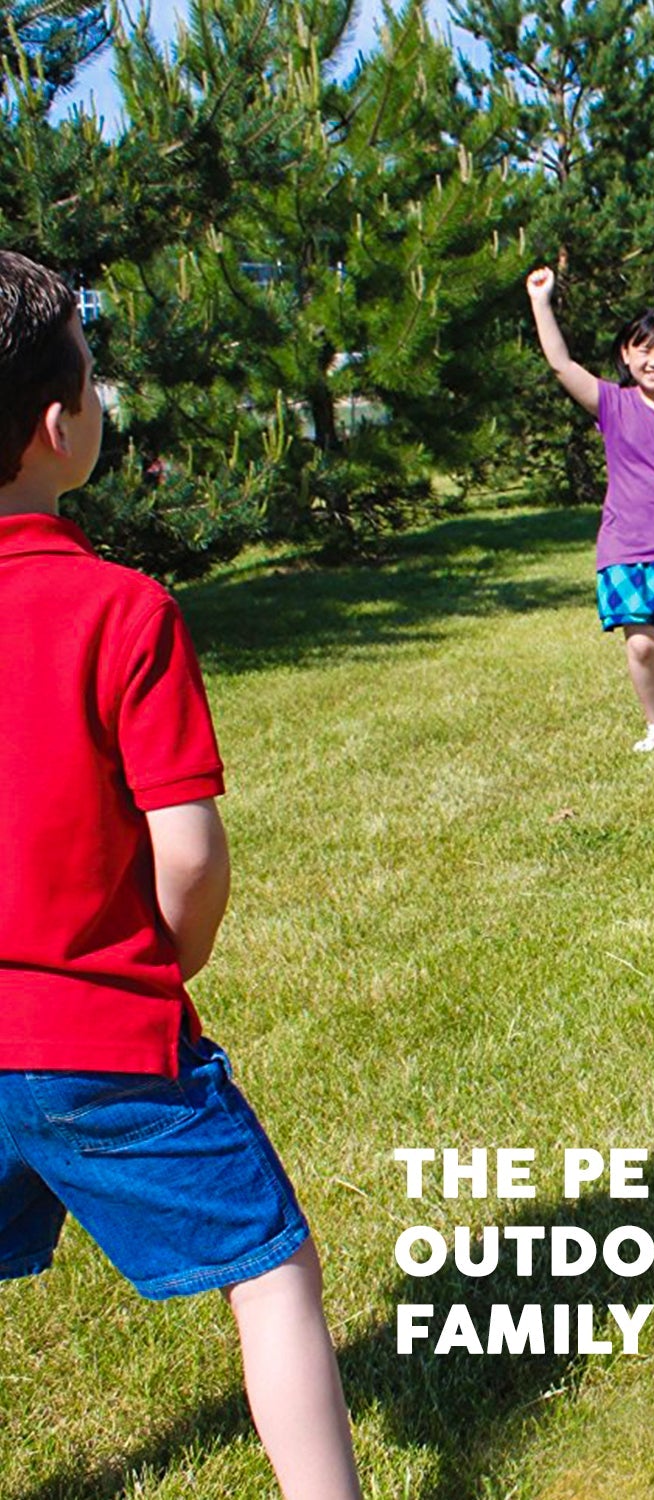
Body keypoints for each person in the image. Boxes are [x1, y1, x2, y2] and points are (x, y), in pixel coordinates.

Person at [0, 251, 361, 1499]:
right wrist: (162, 956)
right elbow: (190, 856)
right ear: (61, 424)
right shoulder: (120, 610)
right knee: (271, 1266)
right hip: (99, 1035)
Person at [527, 266, 654, 752]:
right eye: (643, 348)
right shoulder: (612, 404)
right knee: (642, 643)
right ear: (625, 354)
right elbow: (560, 364)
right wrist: (541, 301)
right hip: (625, 548)